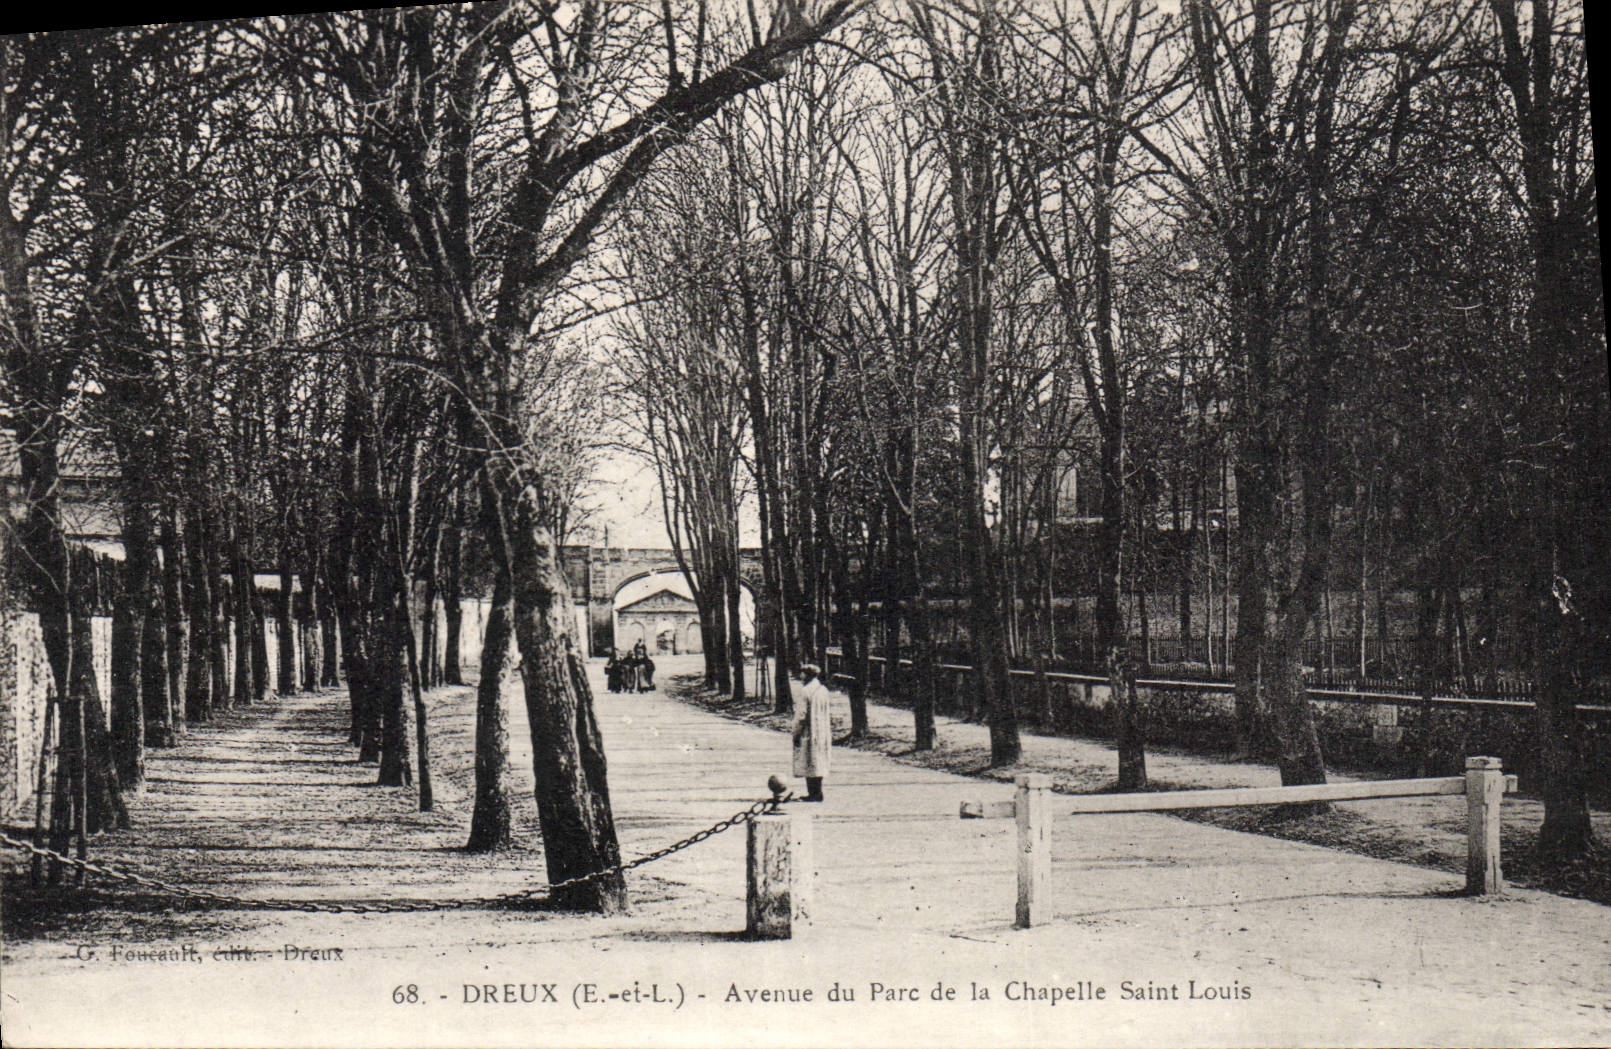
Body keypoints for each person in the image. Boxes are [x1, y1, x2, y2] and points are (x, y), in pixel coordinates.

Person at [791, 663, 831, 802]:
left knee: (809, 761)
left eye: (802, 673)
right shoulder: (823, 689)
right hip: (822, 731)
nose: (800, 676)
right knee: (818, 761)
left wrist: (795, 732)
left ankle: (813, 793)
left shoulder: (805, 691)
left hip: (809, 731)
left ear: (807, 674)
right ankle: (818, 792)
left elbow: (801, 716)